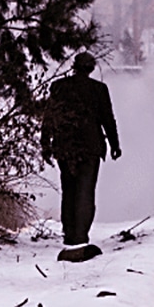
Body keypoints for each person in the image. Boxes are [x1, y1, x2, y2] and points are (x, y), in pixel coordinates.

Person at [41, 52, 121, 262]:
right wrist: (114, 144)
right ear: (91, 68)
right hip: (90, 147)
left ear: (75, 66)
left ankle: (69, 234)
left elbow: (49, 117)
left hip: (64, 146)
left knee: (68, 189)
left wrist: (45, 143)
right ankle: (81, 235)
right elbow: (107, 118)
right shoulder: (99, 89)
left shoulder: (58, 87)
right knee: (86, 191)